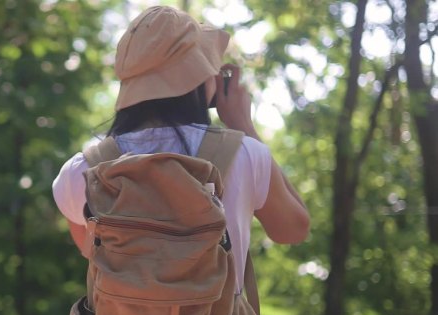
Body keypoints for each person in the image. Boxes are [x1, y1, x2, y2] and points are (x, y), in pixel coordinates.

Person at [53, 5, 310, 296]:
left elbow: (94, 253)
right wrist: (243, 124)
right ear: (200, 78)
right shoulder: (244, 155)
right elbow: (293, 229)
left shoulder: (83, 171)